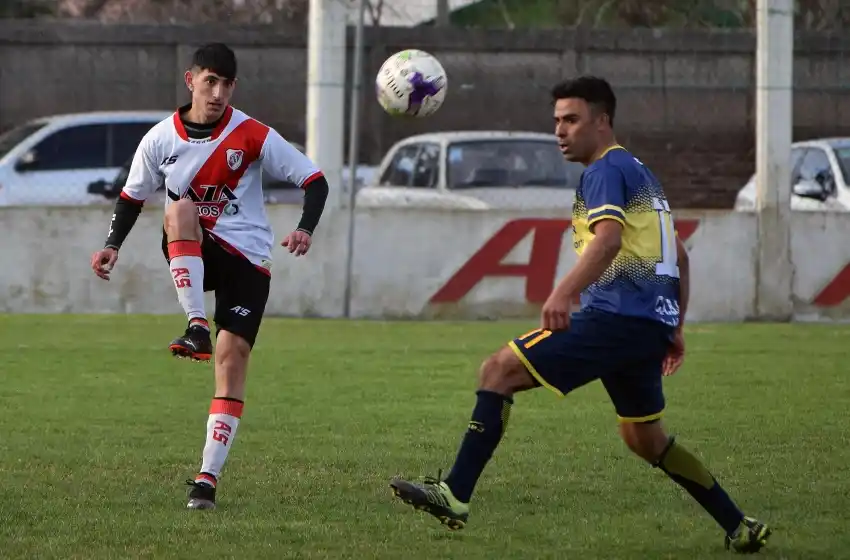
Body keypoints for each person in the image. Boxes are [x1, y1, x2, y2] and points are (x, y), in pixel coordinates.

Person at [389, 76, 771, 554]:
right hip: (644, 327)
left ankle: (455, 493)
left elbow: (609, 240)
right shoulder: (640, 172)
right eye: (556, 121)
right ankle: (739, 524)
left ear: (602, 121)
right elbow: (680, 256)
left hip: (616, 319)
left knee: (498, 370)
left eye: (571, 120)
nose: (560, 131)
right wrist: (673, 327)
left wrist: (563, 293)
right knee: (645, 440)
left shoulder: (606, 170)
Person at [89, 43, 329, 510]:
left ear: (233, 87)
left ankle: (207, 479)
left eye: (225, 84)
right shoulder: (160, 138)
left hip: (248, 256)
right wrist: (112, 245)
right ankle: (196, 324)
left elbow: (314, 180)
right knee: (179, 208)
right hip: (193, 243)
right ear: (190, 81)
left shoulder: (253, 134)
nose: (217, 92)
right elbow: (132, 197)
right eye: (209, 82)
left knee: (232, 358)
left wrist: (304, 228)